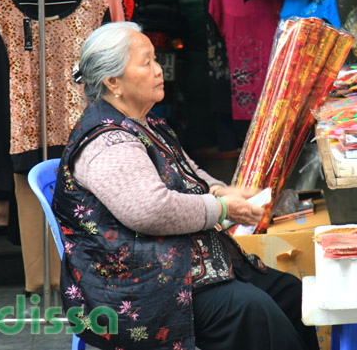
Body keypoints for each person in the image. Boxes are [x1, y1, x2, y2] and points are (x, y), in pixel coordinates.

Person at [52, 21, 319, 350]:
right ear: (112, 81)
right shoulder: (109, 143)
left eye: (155, 60)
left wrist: (221, 191)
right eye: (146, 62)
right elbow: (151, 209)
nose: (158, 69)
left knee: (292, 294)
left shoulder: (145, 122)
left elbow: (187, 170)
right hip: (133, 286)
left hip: (176, 261)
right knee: (251, 310)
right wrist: (221, 208)